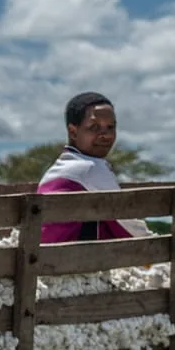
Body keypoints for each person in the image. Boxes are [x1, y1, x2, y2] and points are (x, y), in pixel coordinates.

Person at [37, 91, 144, 244]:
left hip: (47, 255)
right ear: (73, 132)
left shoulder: (60, 167)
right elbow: (128, 225)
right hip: (75, 258)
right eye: (94, 127)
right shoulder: (90, 168)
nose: (105, 135)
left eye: (110, 127)